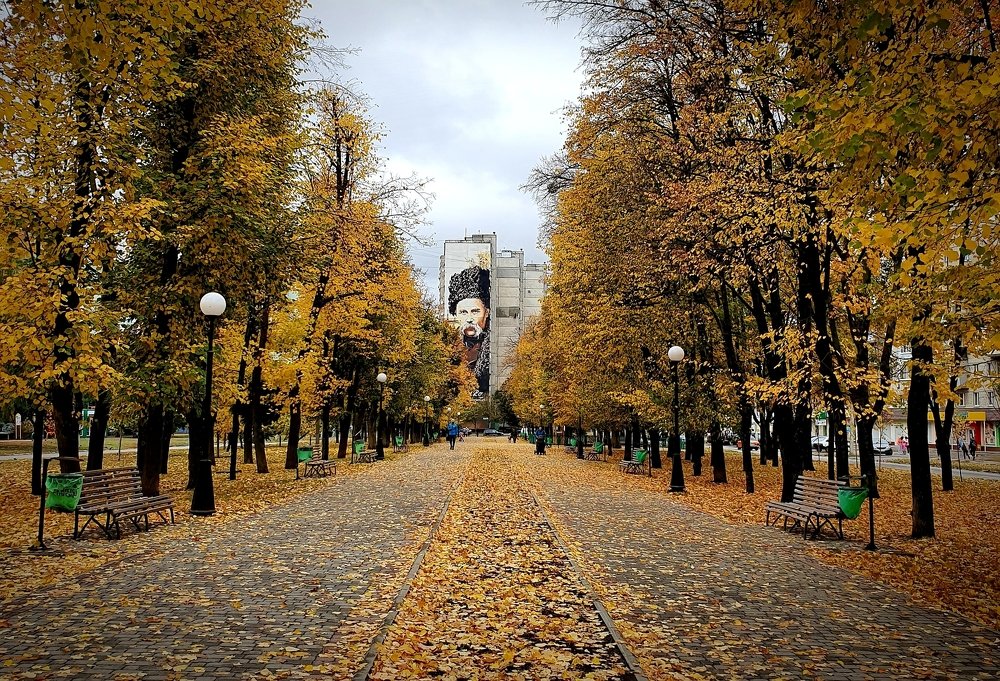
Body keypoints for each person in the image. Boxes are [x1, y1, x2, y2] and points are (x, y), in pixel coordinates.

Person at [448, 266, 491, 400]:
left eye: (475, 311)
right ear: (456, 314)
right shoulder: (449, 348)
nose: (469, 319)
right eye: (463, 312)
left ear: (486, 313)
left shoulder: (492, 348)